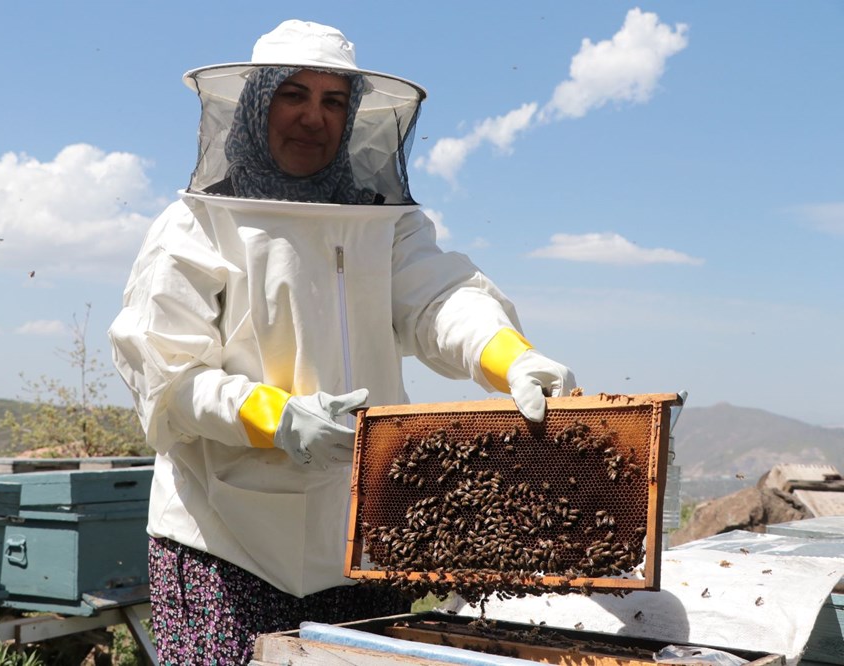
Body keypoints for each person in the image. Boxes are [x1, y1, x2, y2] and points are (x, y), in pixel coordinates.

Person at [108, 19, 575, 665]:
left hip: (360, 540)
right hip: (226, 543)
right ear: (255, 106)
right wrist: (275, 418)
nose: (313, 117)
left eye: (333, 101)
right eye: (293, 95)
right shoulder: (196, 224)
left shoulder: (382, 222)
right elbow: (167, 378)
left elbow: (440, 299)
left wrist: (509, 357)